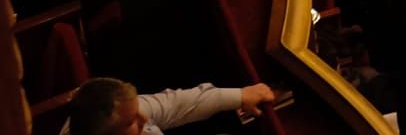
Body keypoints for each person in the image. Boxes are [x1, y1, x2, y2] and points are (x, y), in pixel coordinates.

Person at [64, 77, 275, 135]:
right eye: (131, 122)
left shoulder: (112, 111)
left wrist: (240, 95)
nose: (144, 119)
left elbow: (175, 104)